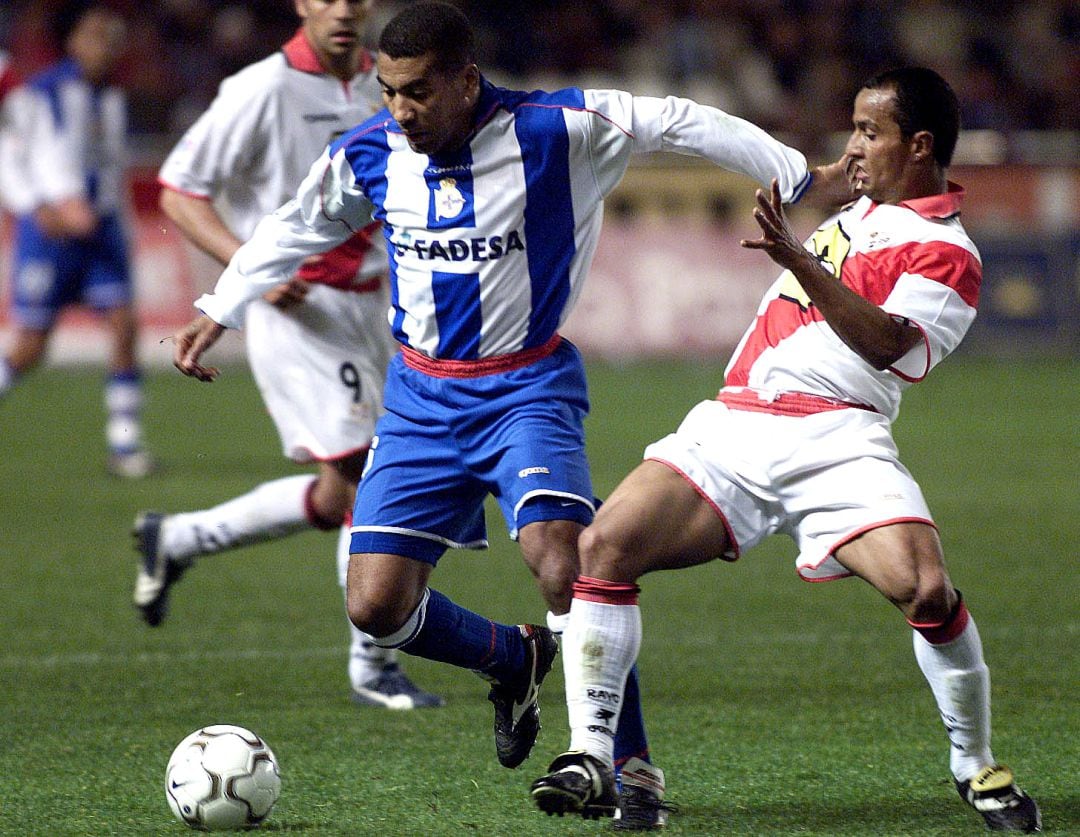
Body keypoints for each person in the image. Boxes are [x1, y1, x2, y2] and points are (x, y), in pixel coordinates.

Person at [170, 2, 848, 826]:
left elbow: (678, 118)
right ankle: (511, 656)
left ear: (465, 80)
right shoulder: (372, 153)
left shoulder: (560, 129)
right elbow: (297, 224)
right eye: (388, 93)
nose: (401, 112)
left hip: (526, 386)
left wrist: (794, 173)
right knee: (375, 608)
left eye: (418, 93)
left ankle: (628, 766)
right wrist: (225, 302)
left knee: (568, 561)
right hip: (419, 397)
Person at [531, 67, 1042, 834]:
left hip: (839, 436)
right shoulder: (858, 206)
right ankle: (593, 756)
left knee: (926, 591)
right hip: (734, 424)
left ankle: (975, 766)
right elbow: (815, 169)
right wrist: (821, 183)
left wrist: (800, 259)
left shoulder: (947, 251)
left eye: (870, 131)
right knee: (602, 545)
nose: (855, 145)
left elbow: (890, 346)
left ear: (921, 144)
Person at [133, 0, 442, 711]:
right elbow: (179, 193)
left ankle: (177, 537)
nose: (343, 10)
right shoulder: (260, 90)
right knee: (371, 473)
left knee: (338, 493)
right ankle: (376, 664)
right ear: (301, 4)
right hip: (296, 310)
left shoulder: (389, 86)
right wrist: (253, 269)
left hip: (378, 302)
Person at [0, 2, 152, 478]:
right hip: (49, 236)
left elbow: (110, 168)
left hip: (102, 233)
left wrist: (119, 226)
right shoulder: (41, 93)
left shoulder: (114, 97)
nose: (105, 47)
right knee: (30, 344)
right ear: (74, 42)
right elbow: (10, 153)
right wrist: (37, 206)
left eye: (113, 38)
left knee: (124, 326)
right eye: (95, 36)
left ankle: (124, 445)